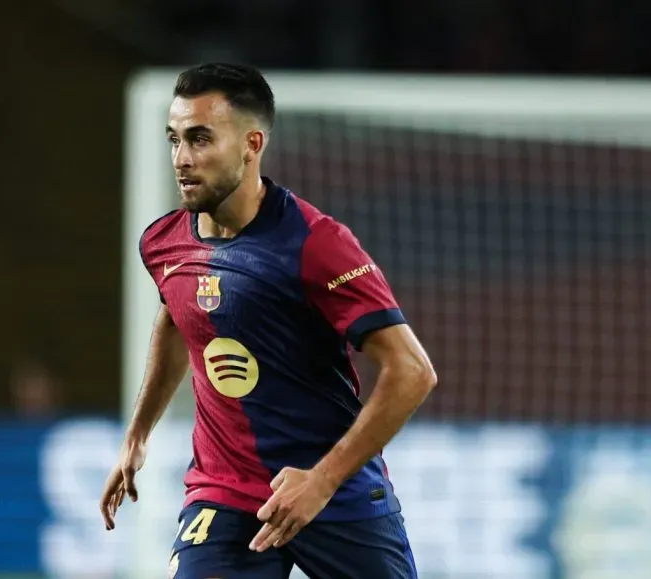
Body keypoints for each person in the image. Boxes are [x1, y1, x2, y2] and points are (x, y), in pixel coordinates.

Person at [99, 63, 438, 579]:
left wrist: (322, 480)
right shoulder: (164, 243)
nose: (182, 160)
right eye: (174, 140)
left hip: (334, 491)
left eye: (200, 139)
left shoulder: (316, 243)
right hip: (225, 492)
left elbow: (413, 372)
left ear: (251, 144)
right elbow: (177, 319)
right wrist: (138, 433)